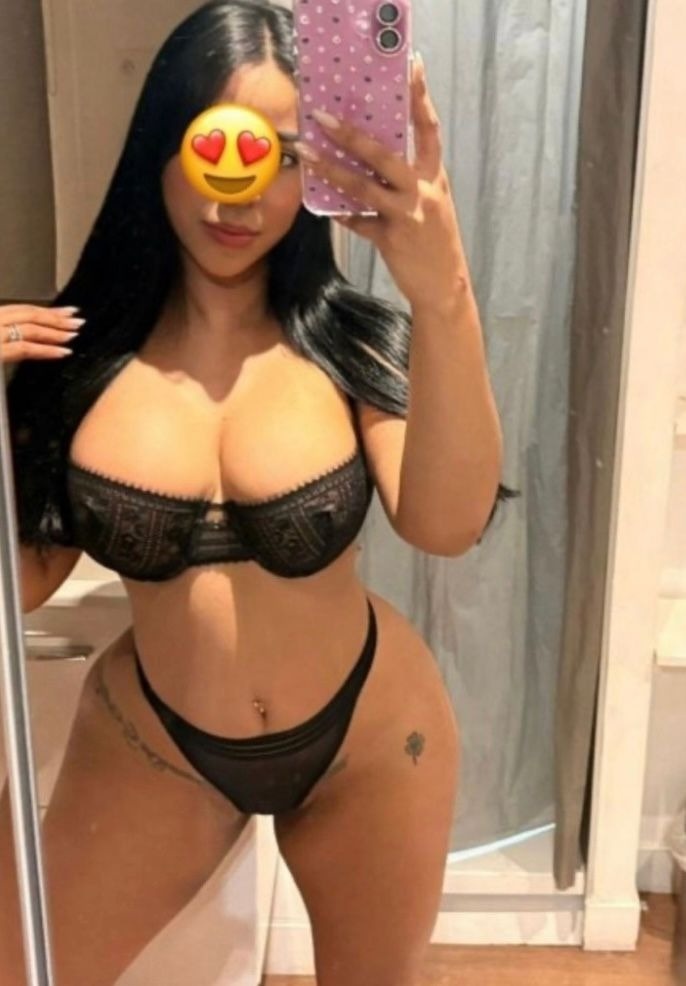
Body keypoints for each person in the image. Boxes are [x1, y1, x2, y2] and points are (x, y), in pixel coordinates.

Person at [0, 2, 517, 983]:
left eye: (282, 157)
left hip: (369, 739)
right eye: (217, 145)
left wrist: (442, 291)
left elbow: (447, 525)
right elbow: (18, 585)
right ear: (162, 147)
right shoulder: (77, 358)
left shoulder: (349, 342)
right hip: (155, 741)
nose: (240, 194)